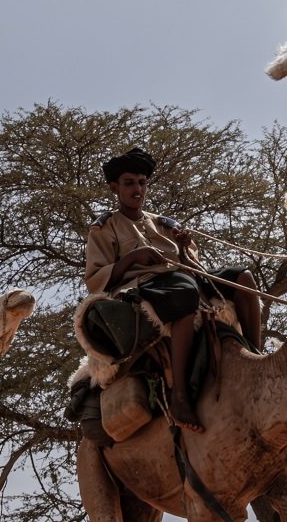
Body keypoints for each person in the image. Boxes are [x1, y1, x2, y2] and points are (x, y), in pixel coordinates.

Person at [81, 148, 263, 432]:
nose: (137, 189)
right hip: (142, 287)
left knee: (243, 278)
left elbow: (192, 265)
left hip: (182, 277)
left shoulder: (164, 223)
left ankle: (256, 357)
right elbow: (95, 279)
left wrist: (183, 247)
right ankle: (179, 396)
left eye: (141, 182)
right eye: (129, 183)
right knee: (185, 291)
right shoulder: (103, 229)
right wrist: (133, 258)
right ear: (114, 187)